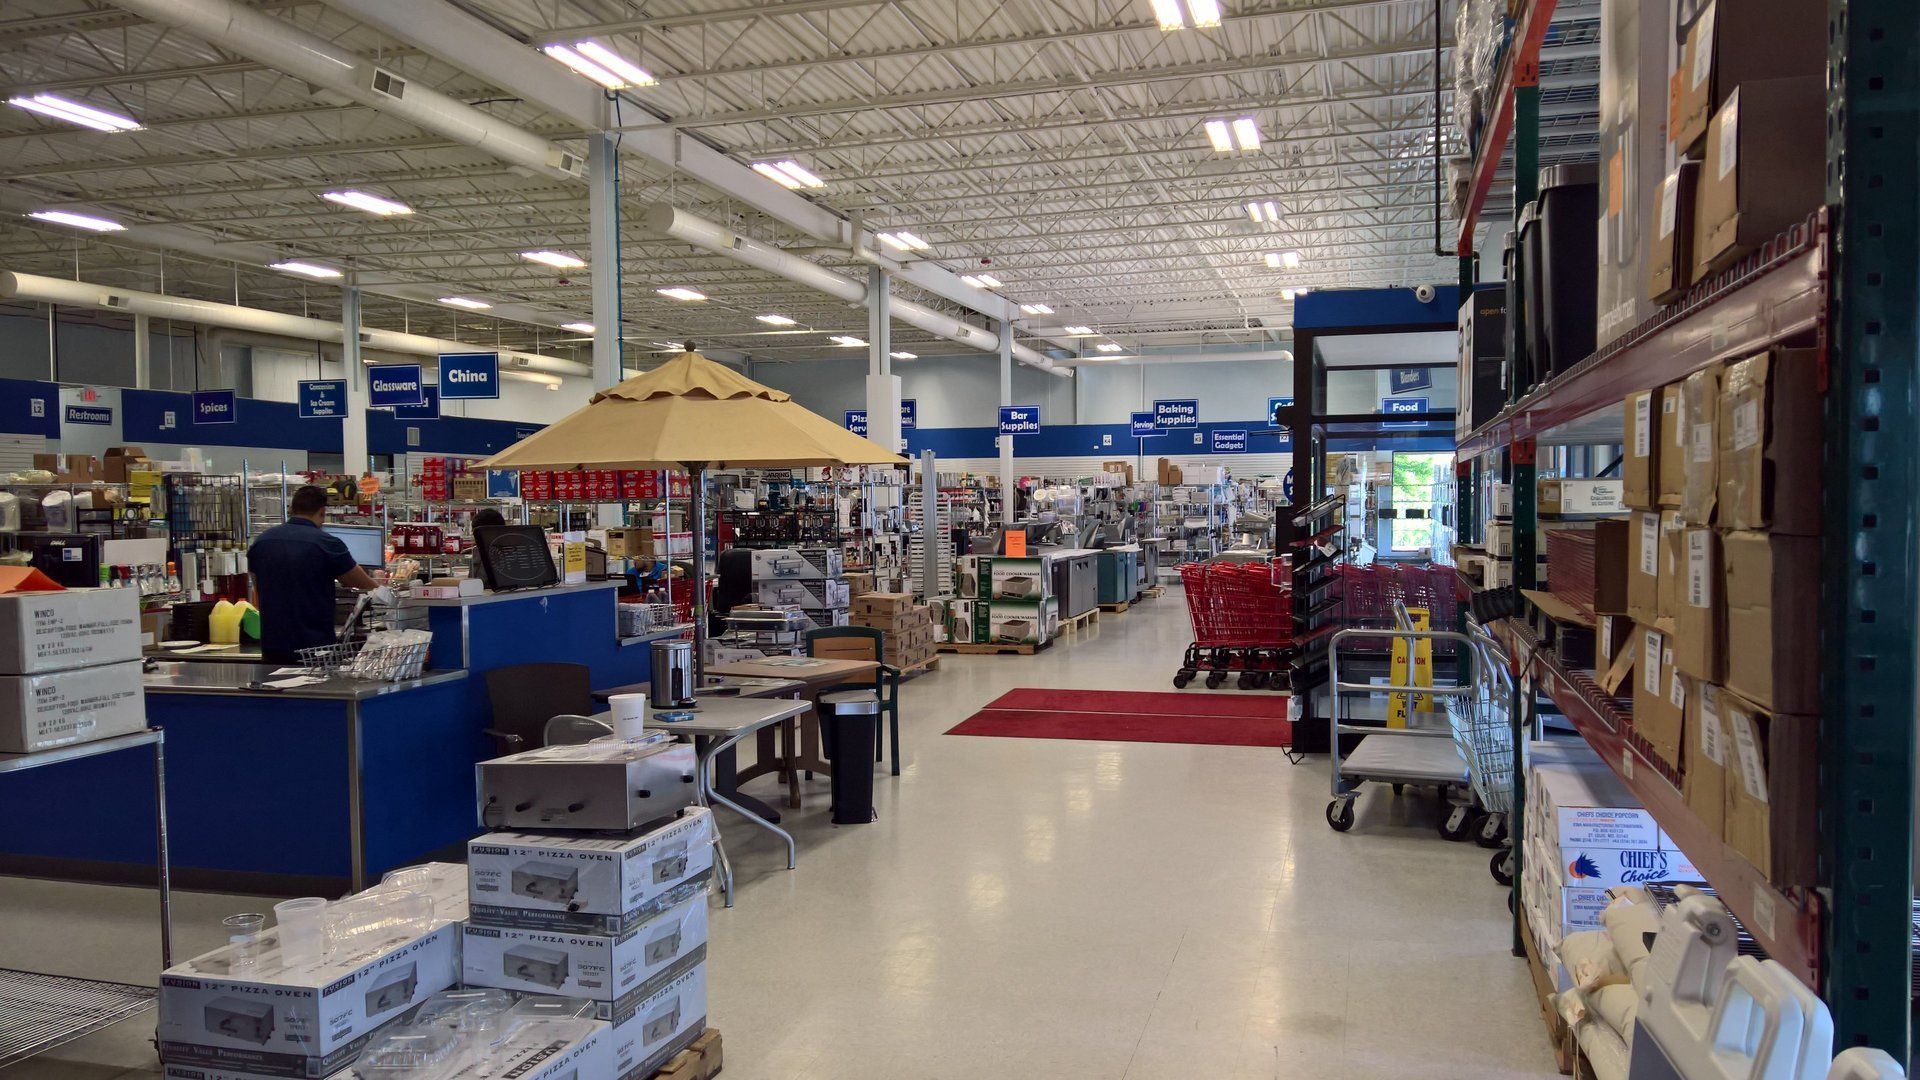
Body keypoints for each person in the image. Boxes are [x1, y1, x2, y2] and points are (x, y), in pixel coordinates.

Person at [248, 485, 393, 664]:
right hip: (314, 647)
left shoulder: (262, 542)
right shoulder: (327, 543)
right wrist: (386, 593)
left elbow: (257, 586)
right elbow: (360, 582)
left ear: (292, 509)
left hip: (273, 645)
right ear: (322, 512)